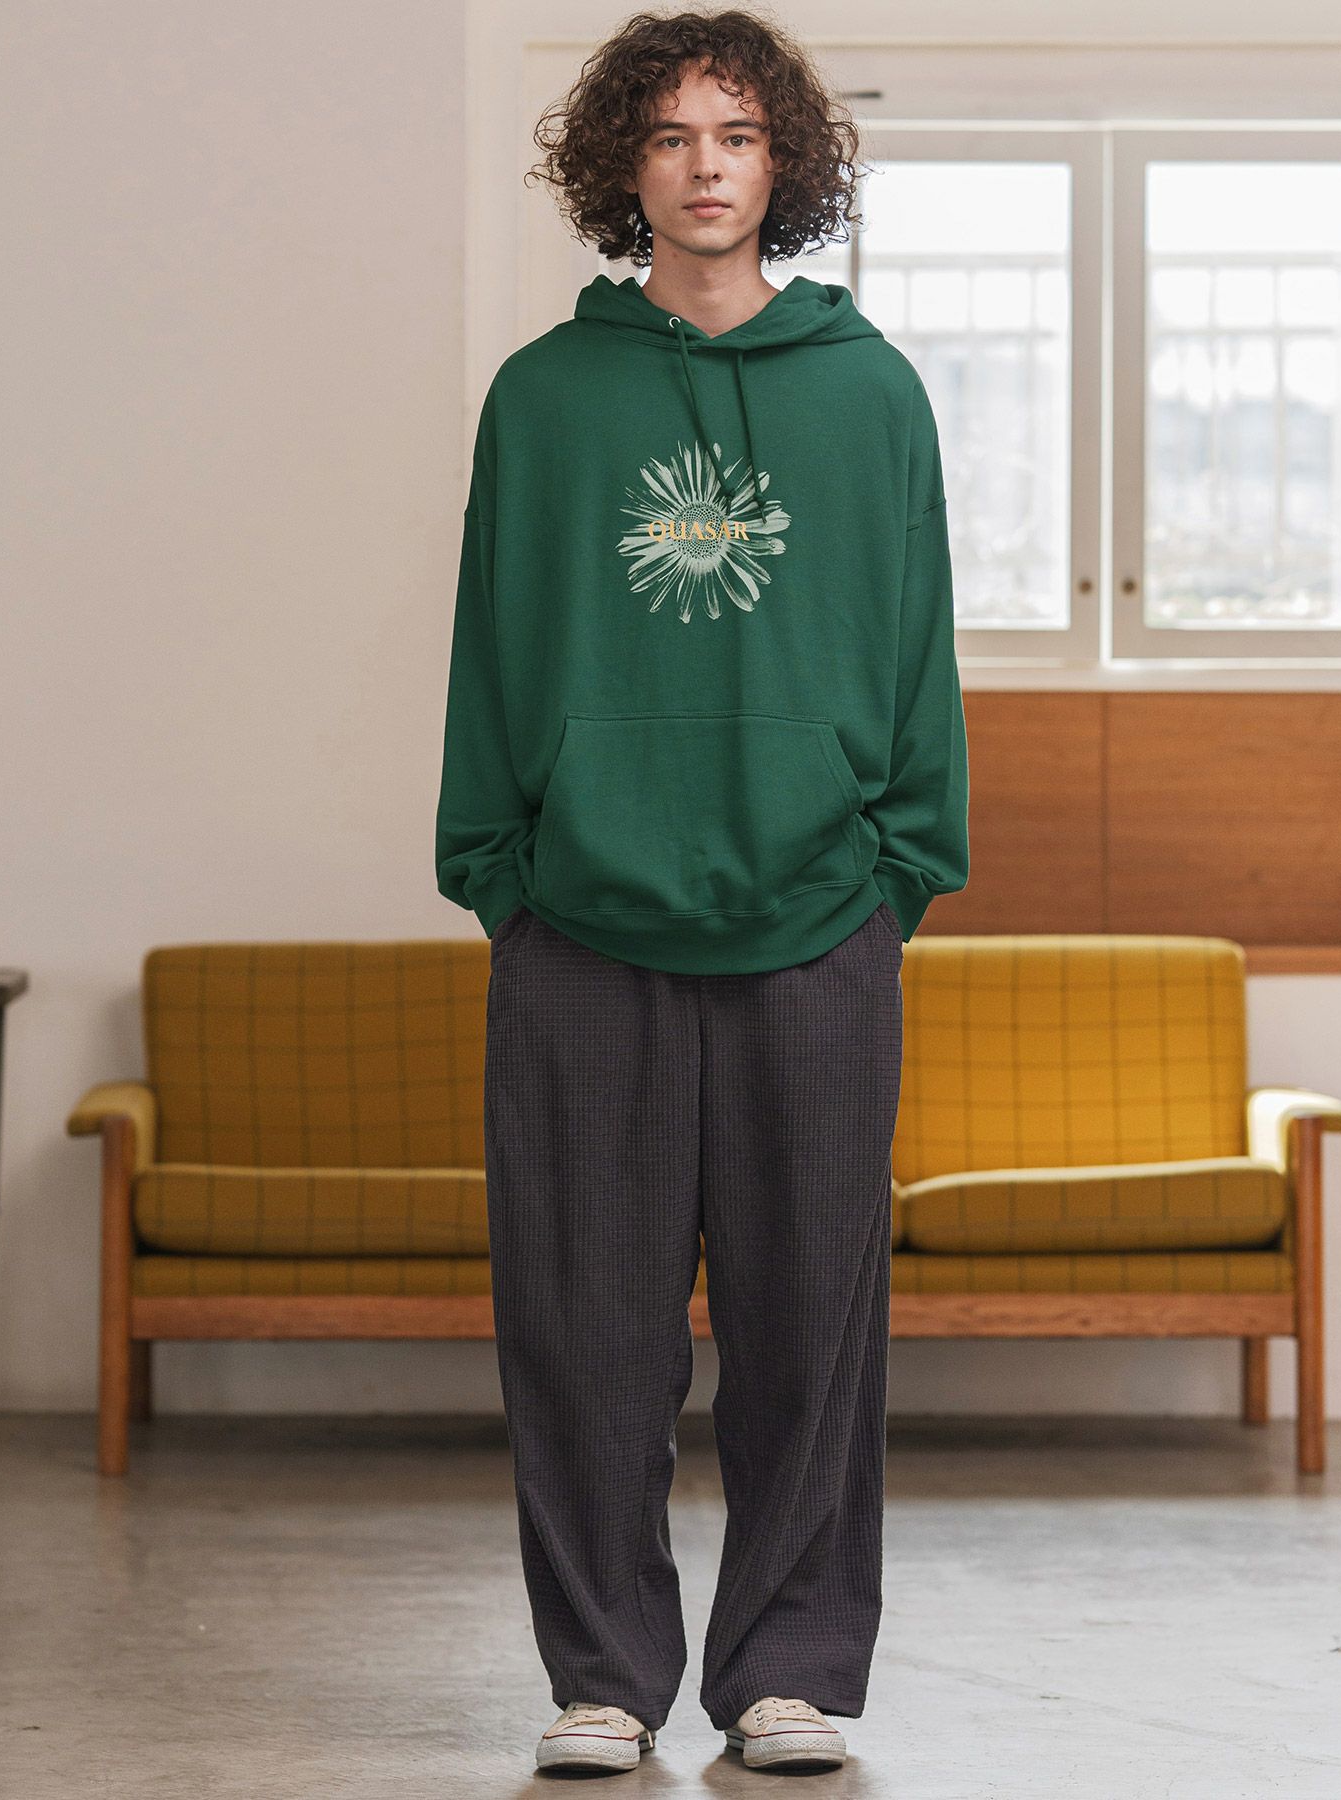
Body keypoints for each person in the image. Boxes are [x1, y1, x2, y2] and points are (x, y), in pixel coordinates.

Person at [435, 4, 969, 1776]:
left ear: (781, 162)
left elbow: (918, 657)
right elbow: (492, 653)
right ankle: (602, 1675)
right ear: (626, 168)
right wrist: (504, 875)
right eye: (669, 136)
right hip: (583, 930)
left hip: (819, 927)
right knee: (584, 1331)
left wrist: (896, 873)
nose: (705, 167)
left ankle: (787, 1673)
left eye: (736, 134)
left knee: (811, 1326)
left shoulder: (872, 394)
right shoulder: (545, 397)